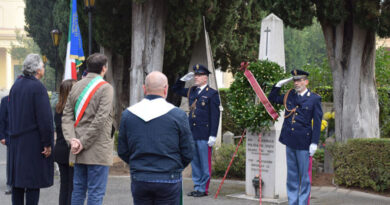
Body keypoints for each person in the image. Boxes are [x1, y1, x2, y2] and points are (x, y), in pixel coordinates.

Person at [118, 71, 194, 205]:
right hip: (168, 176)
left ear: (144, 88)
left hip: (140, 176)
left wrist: (138, 164)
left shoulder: (128, 115)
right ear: (166, 89)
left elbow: (123, 150)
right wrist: (175, 167)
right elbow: (188, 151)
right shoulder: (178, 115)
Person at [62, 53, 114, 205]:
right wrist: (83, 142)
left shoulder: (76, 85)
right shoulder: (106, 88)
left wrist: (72, 140)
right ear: (104, 68)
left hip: (77, 149)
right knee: (95, 192)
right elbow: (101, 119)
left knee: (78, 190)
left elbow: (66, 116)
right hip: (97, 149)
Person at [268, 69, 323, 205]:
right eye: (294, 80)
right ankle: (293, 202)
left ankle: (303, 203)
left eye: (299, 80)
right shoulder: (290, 95)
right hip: (290, 140)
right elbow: (272, 99)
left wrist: (314, 143)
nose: (296, 83)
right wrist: (279, 84)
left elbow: (317, 123)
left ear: (306, 82)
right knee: (292, 175)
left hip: (304, 142)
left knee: (304, 177)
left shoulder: (314, 98)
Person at [8, 53, 54, 205]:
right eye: (42, 65)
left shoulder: (16, 86)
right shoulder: (38, 87)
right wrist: (47, 143)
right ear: (37, 69)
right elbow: (45, 119)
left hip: (16, 142)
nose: (43, 68)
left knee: (18, 184)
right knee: (33, 183)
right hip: (33, 143)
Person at [172, 64, 221, 197]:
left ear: (205, 78)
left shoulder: (212, 94)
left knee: (205, 163)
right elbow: (175, 89)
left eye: (199, 75)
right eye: (195, 75)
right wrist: (182, 80)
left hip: (205, 134)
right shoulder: (192, 91)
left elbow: (215, 116)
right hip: (192, 132)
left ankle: (203, 189)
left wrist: (213, 135)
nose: (196, 77)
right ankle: (197, 186)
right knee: (195, 162)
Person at [53, 79, 76, 205]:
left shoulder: (58, 108)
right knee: (72, 186)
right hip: (70, 150)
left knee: (64, 185)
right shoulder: (72, 110)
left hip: (60, 149)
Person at [0, 95, 12, 195]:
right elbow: (1, 119)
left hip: (24, 137)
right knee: (11, 161)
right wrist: (2, 136)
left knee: (23, 161)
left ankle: (22, 183)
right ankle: (10, 184)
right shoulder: (5, 100)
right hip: (10, 136)